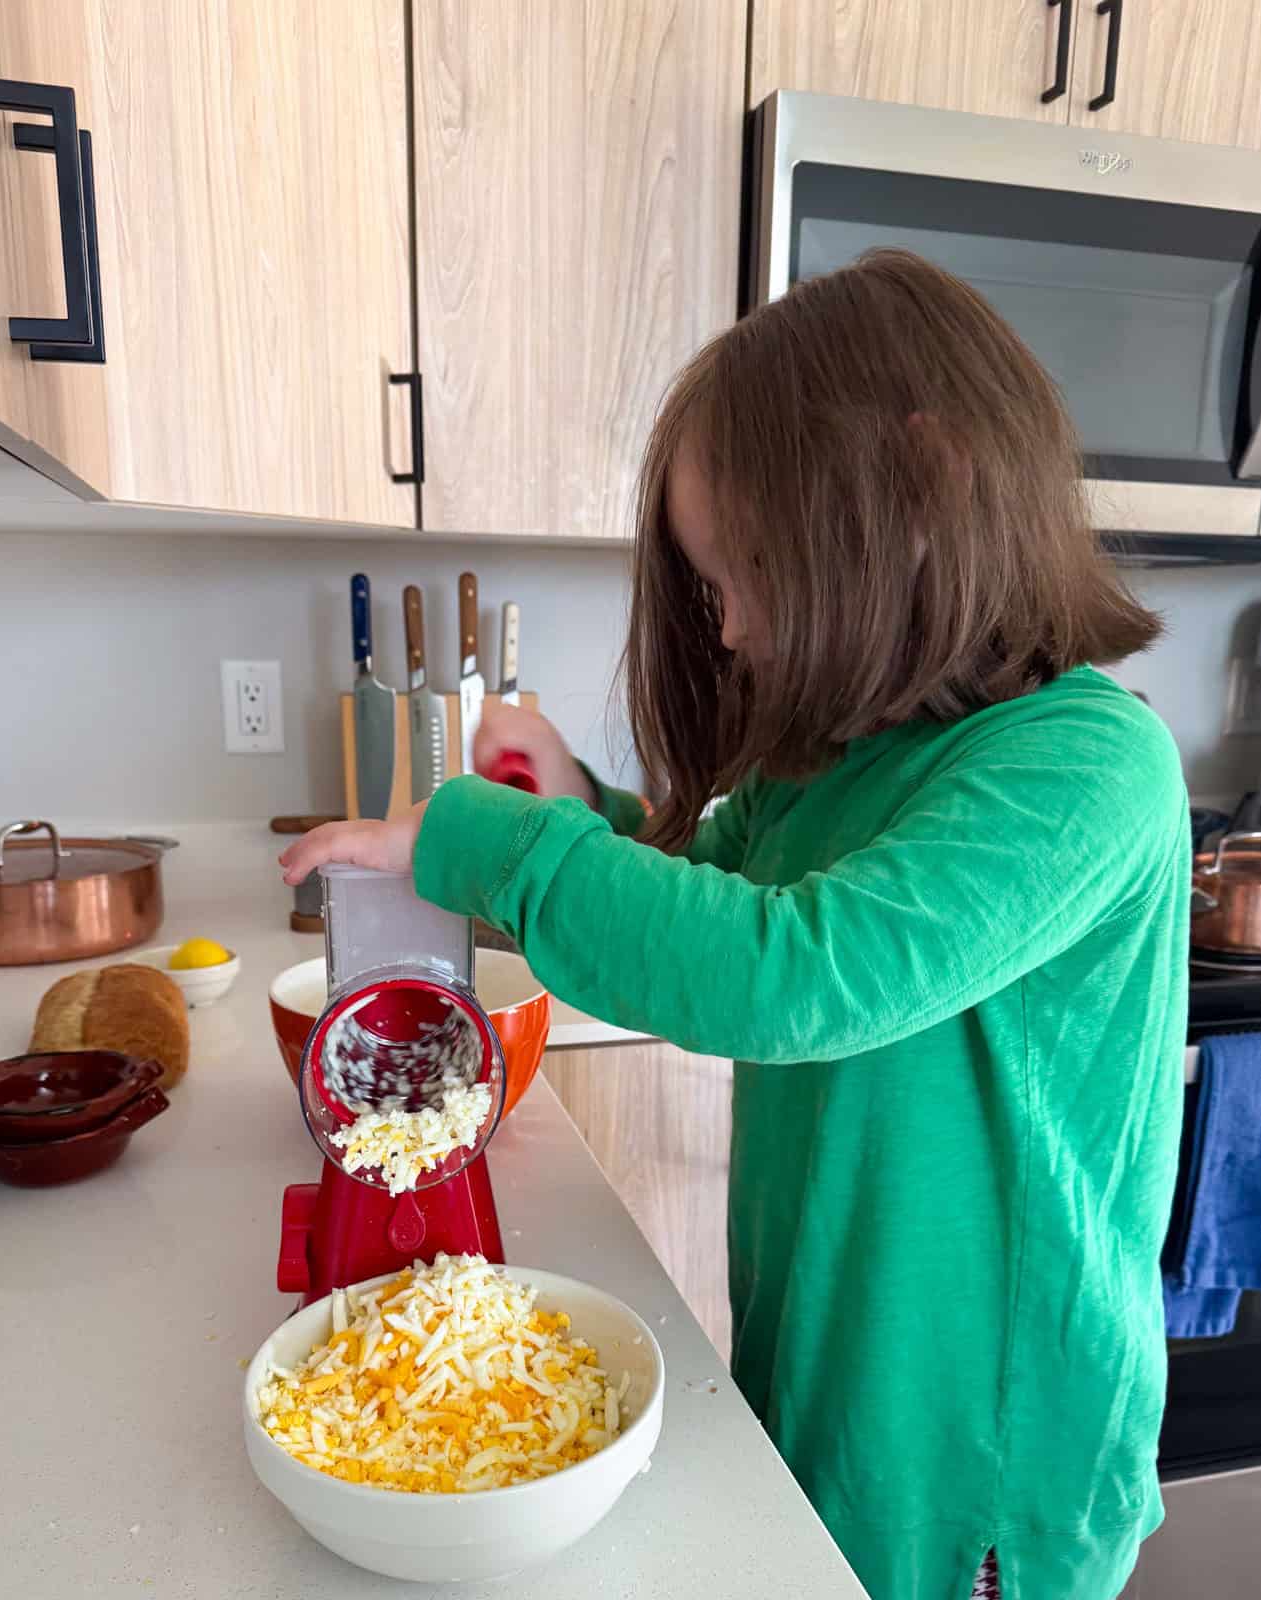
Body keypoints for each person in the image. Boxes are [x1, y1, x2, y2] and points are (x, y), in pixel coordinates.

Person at [280, 249, 1188, 1600]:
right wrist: (582, 802)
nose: (739, 625)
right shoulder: (842, 756)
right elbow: (718, 880)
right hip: (828, 1366)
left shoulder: (1084, 765)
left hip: (980, 1446)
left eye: (754, 570)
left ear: (928, 491)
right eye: (714, 588)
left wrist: (493, 847)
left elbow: (793, 973)